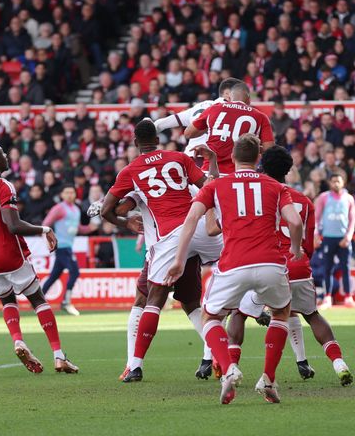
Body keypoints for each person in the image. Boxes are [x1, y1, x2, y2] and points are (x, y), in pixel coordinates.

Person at [166, 134, 303, 405]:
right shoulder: (275, 186)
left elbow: (191, 220)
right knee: (281, 313)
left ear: (233, 156)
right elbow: (295, 222)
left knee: (210, 317)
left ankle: (229, 368)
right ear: (258, 157)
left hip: (233, 263)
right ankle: (268, 379)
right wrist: (296, 249)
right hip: (270, 263)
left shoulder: (216, 185)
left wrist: (179, 259)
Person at [218, 146, 353, 385]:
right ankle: (338, 362)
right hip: (298, 266)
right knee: (312, 315)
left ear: (262, 165)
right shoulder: (304, 201)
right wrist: (299, 255)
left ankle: (233, 366)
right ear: (289, 170)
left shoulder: (259, 195)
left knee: (239, 312)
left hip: (267, 264)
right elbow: (308, 244)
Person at [100, 119, 221, 383]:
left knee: (151, 299)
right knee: (200, 295)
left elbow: (108, 210)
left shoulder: (131, 171)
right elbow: (209, 187)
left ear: (135, 143)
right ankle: (239, 323)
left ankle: (135, 365)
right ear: (158, 138)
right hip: (199, 227)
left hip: (169, 239)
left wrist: (125, 222)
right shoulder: (179, 158)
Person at [0, 142, 78, 374]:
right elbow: (13, 226)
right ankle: (58, 355)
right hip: (9, 255)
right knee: (38, 300)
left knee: (7, 300)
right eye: (2, 153)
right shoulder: (4, 186)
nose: (6, 156)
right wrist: (44, 230)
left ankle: (18, 341)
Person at [186, 81, 275, 174]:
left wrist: (210, 126)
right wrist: (253, 147)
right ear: (249, 100)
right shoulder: (260, 116)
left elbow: (188, 133)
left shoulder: (214, 108)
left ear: (229, 98)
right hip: (239, 174)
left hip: (210, 171)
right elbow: (270, 150)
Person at [40, 185, 92, 315]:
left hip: (67, 246)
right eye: (67, 192)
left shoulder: (75, 209)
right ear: (62, 195)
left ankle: (39, 301)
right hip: (62, 247)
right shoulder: (59, 208)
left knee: (54, 276)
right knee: (74, 272)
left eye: (72, 192)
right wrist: (50, 241)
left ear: (75, 194)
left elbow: (77, 228)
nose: (69, 195)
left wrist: (89, 228)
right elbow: (45, 224)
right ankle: (66, 302)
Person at [314, 171, 355, 309]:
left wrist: (348, 237)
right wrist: (317, 234)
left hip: (343, 239)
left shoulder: (349, 199)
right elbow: (316, 218)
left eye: (338, 181)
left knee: (346, 268)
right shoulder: (323, 197)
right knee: (327, 268)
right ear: (329, 183)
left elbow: (352, 220)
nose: (336, 183)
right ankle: (327, 298)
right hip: (328, 237)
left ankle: (348, 297)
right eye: (333, 181)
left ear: (343, 182)